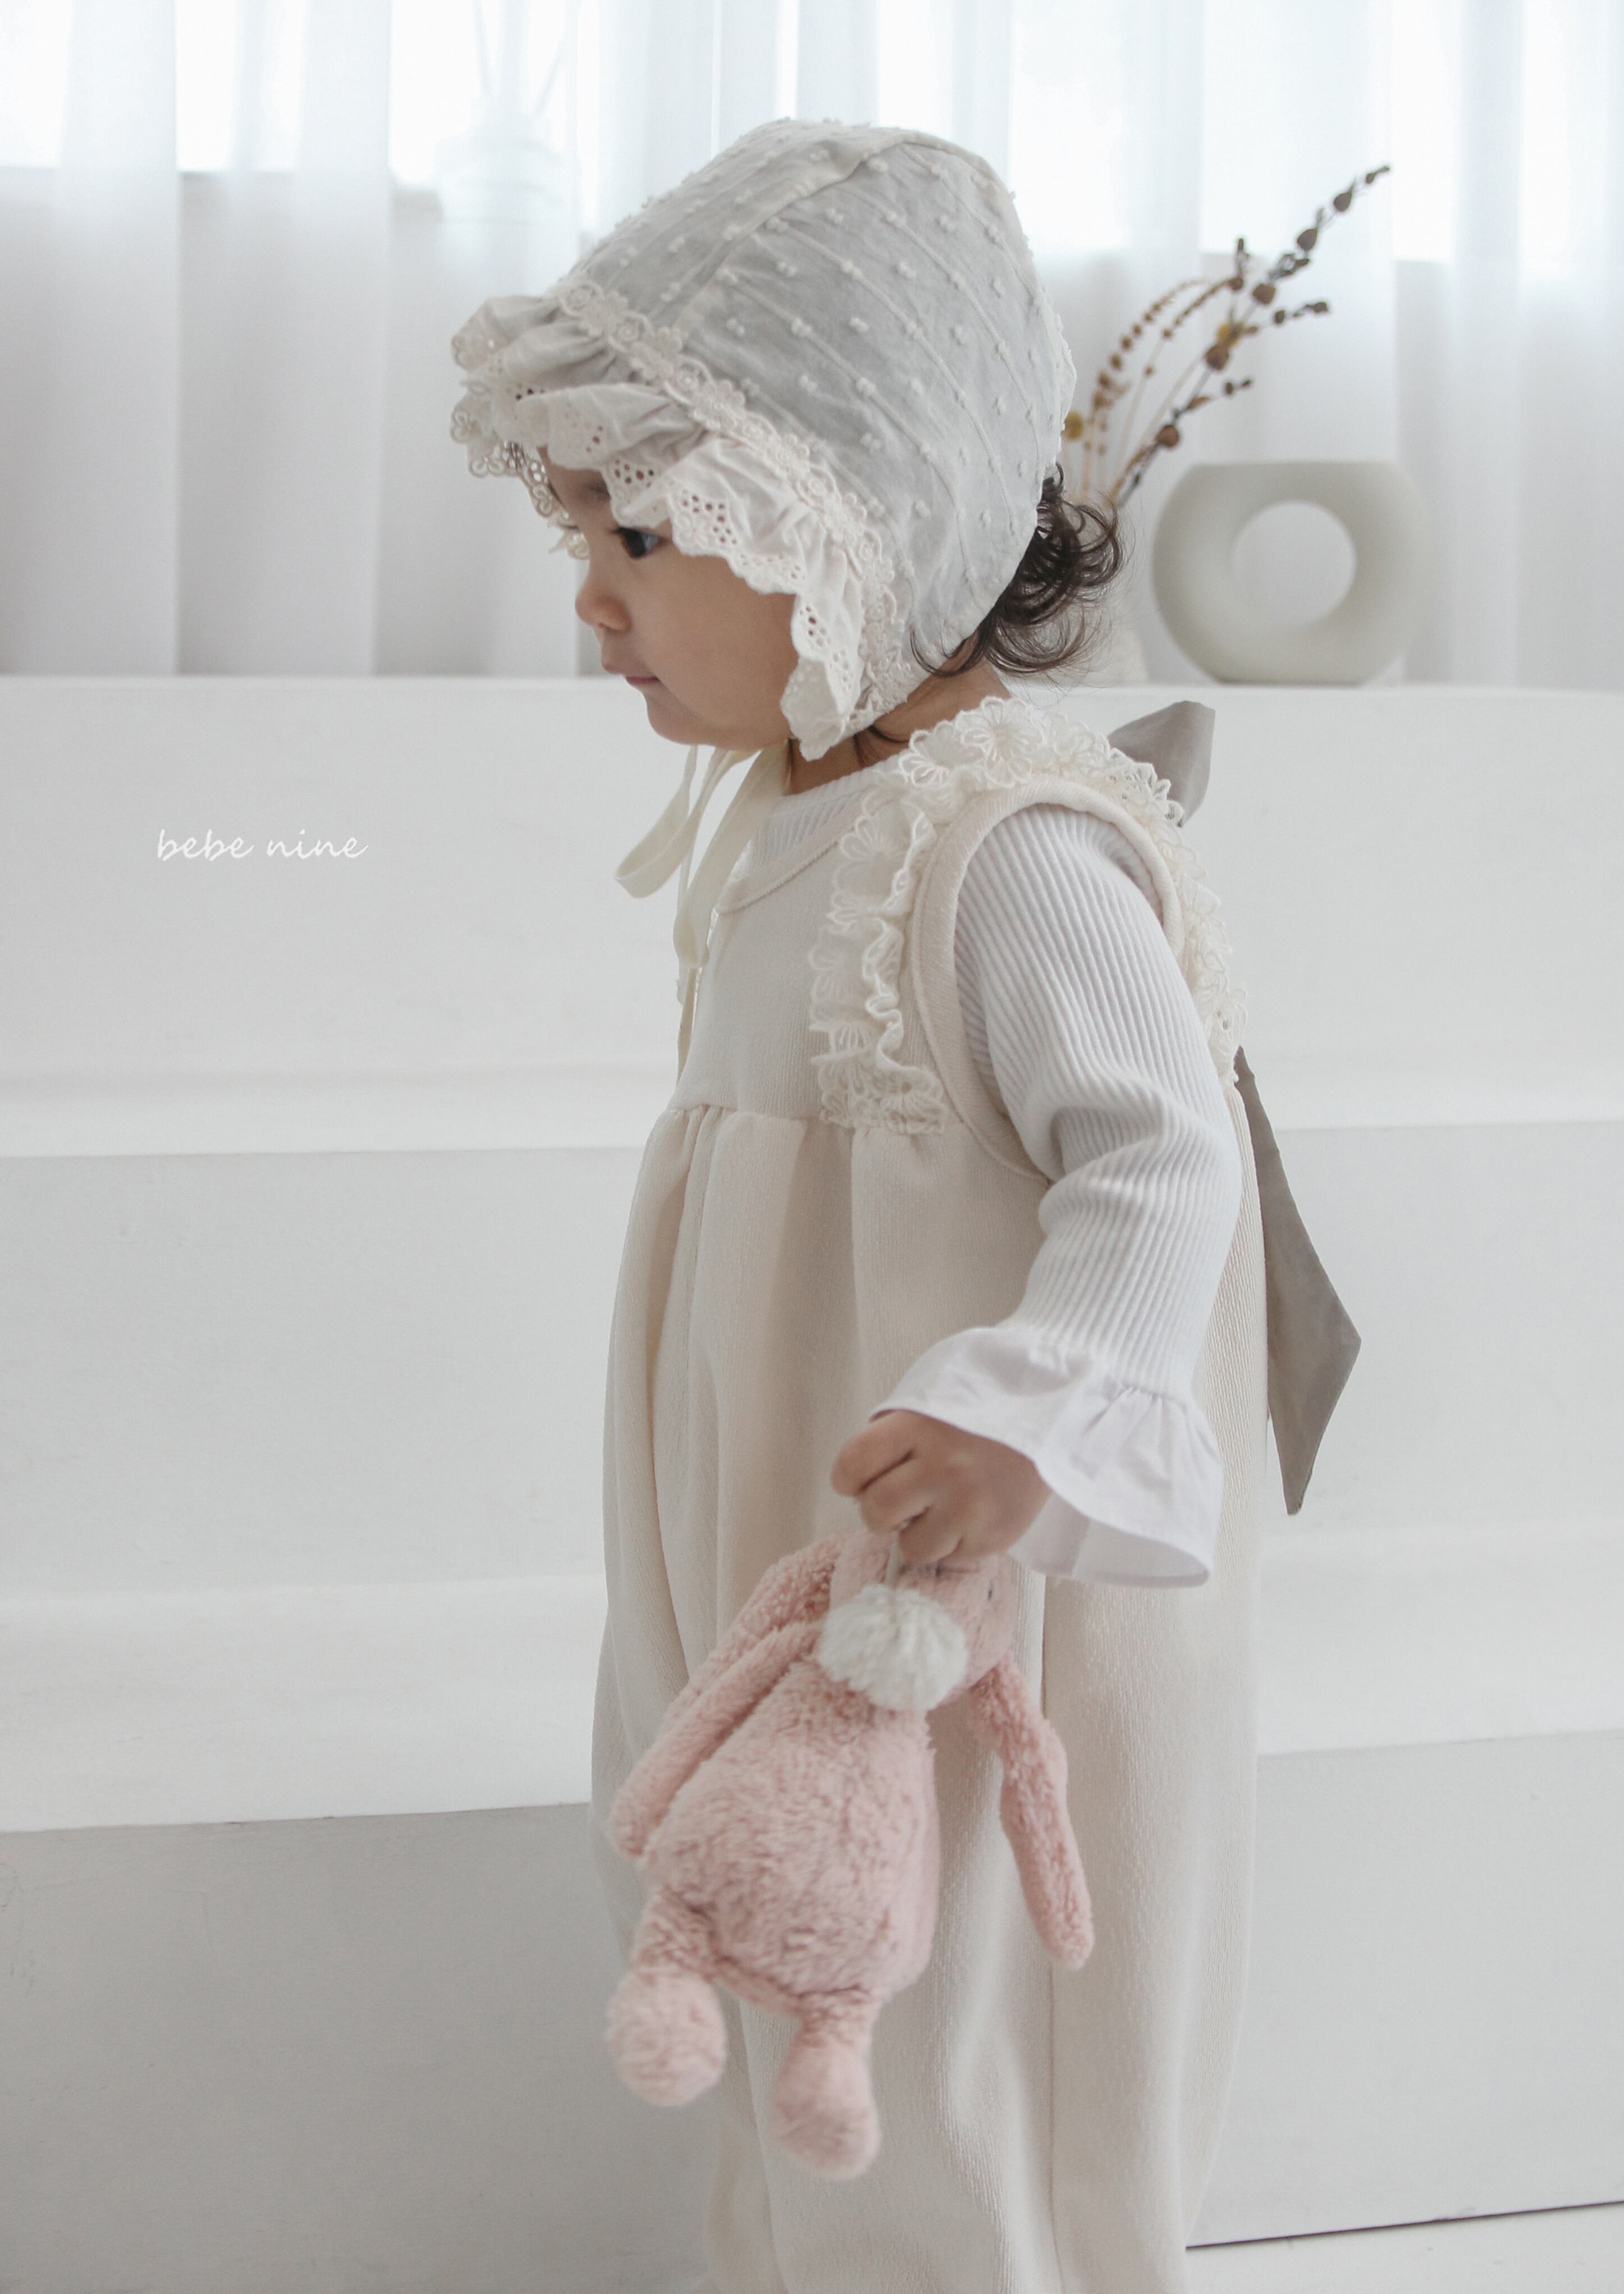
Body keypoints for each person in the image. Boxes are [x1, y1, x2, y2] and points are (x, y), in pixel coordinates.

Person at [451, 117, 1268, 2294]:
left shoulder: (1002, 845)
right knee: (769, 1912)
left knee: (959, 1987)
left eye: (643, 530)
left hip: (966, 1560)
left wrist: (1034, 1412)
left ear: (855, 524)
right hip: (765, 1531)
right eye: (577, 527)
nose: (590, 591)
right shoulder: (807, 807)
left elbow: (1160, 1153)